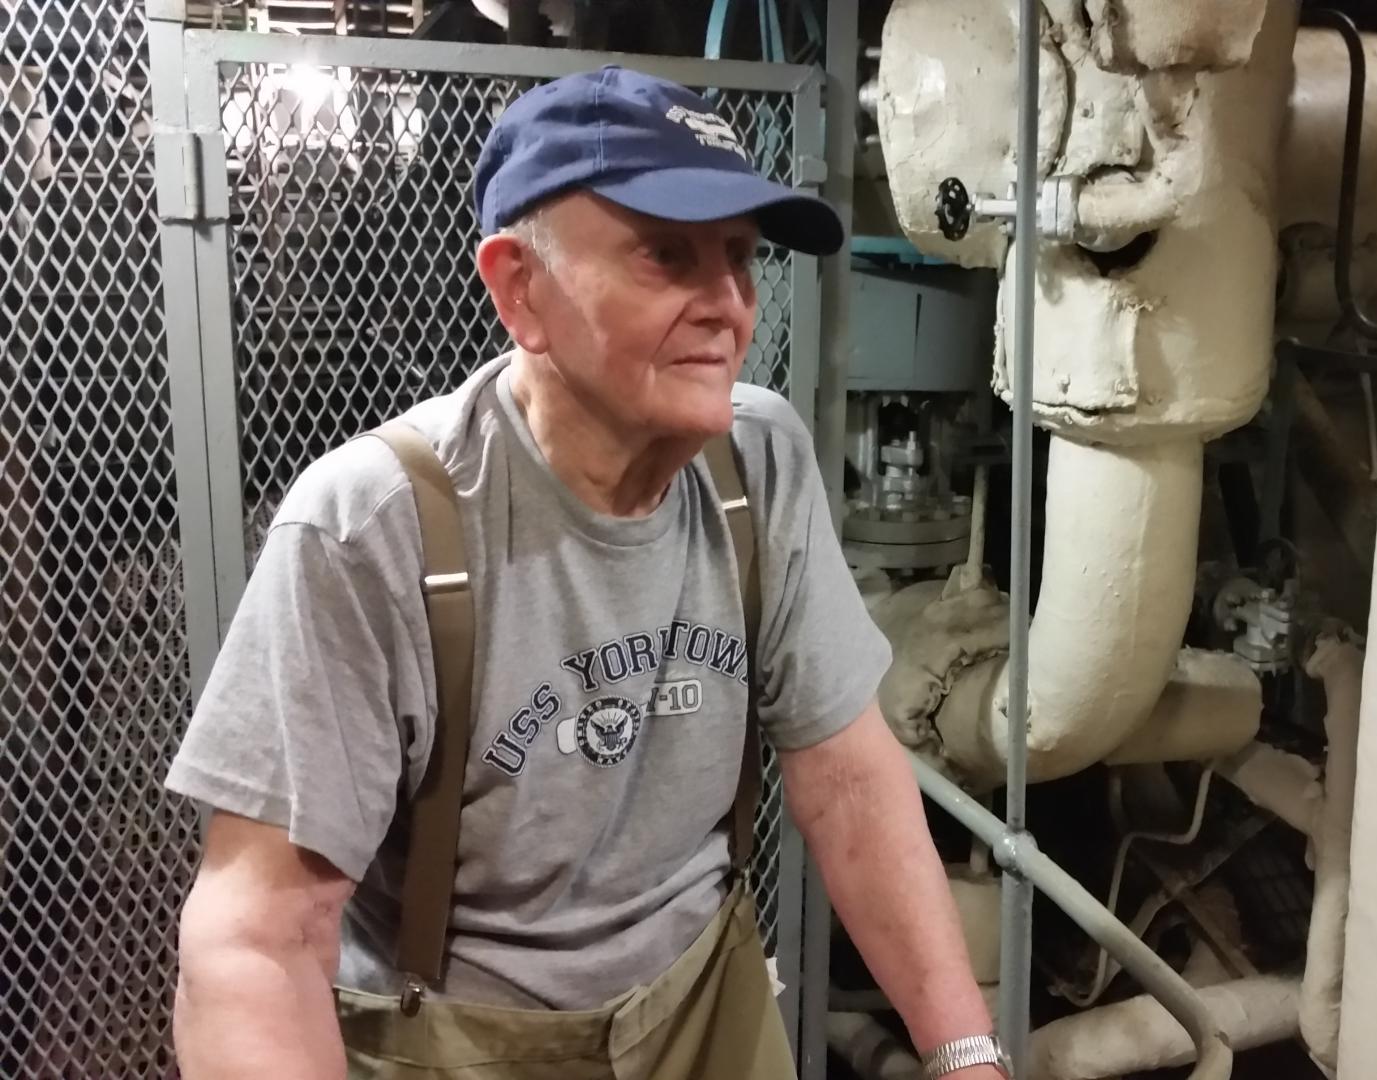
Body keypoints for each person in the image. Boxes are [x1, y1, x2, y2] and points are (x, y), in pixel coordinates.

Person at [164, 66, 1008, 1080]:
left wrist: (966, 1054)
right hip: (465, 1039)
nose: (728, 306)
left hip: (704, 1001)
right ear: (521, 288)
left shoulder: (760, 463)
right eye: (668, 255)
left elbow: (848, 779)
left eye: (740, 258)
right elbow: (257, 938)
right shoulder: (375, 528)